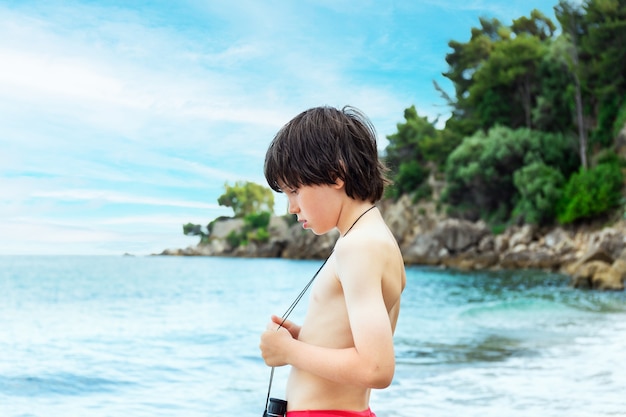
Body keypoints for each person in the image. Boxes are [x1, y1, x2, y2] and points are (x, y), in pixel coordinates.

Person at [260, 105, 406, 417]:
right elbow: (355, 343)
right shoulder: (374, 238)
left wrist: (289, 351)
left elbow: (377, 367)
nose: (291, 207)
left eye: (295, 190)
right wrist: (307, 337)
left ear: (335, 174)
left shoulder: (359, 246)